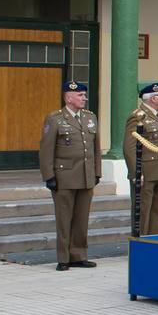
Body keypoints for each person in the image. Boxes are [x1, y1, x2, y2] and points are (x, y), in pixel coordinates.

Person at [40, 81, 101, 271]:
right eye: (80, 95)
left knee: (82, 218)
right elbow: (45, 150)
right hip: (64, 176)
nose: (84, 98)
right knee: (64, 218)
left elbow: (95, 148)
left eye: (84, 95)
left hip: (85, 176)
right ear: (68, 97)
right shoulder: (55, 119)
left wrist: (97, 172)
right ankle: (63, 257)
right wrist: (49, 176)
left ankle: (78, 255)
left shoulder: (90, 118)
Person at [124, 82, 158, 235]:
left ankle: (154, 240)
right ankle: (141, 243)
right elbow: (129, 146)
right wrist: (136, 172)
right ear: (153, 98)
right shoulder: (138, 116)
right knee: (143, 211)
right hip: (147, 171)